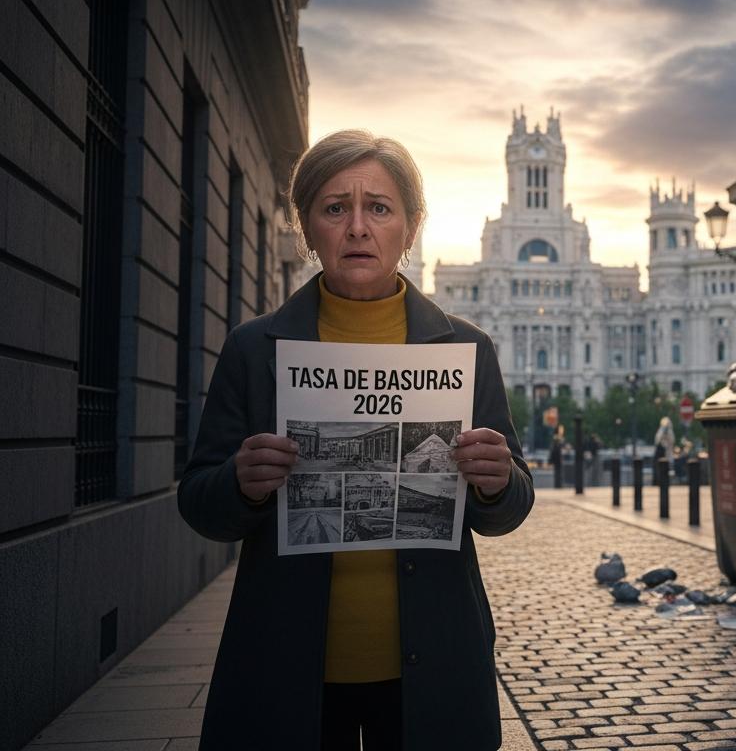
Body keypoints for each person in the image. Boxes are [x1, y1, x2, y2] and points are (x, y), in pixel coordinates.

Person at [177, 130, 533, 750]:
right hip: (288, 668)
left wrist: (497, 482)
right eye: (336, 207)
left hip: (433, 664)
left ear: (410, 227)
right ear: (307, 229)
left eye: (380, 208)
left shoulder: (465, 349)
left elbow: (509, 507)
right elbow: (200, 502)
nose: (358, 228)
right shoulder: (254, 350)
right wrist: (240, 483)